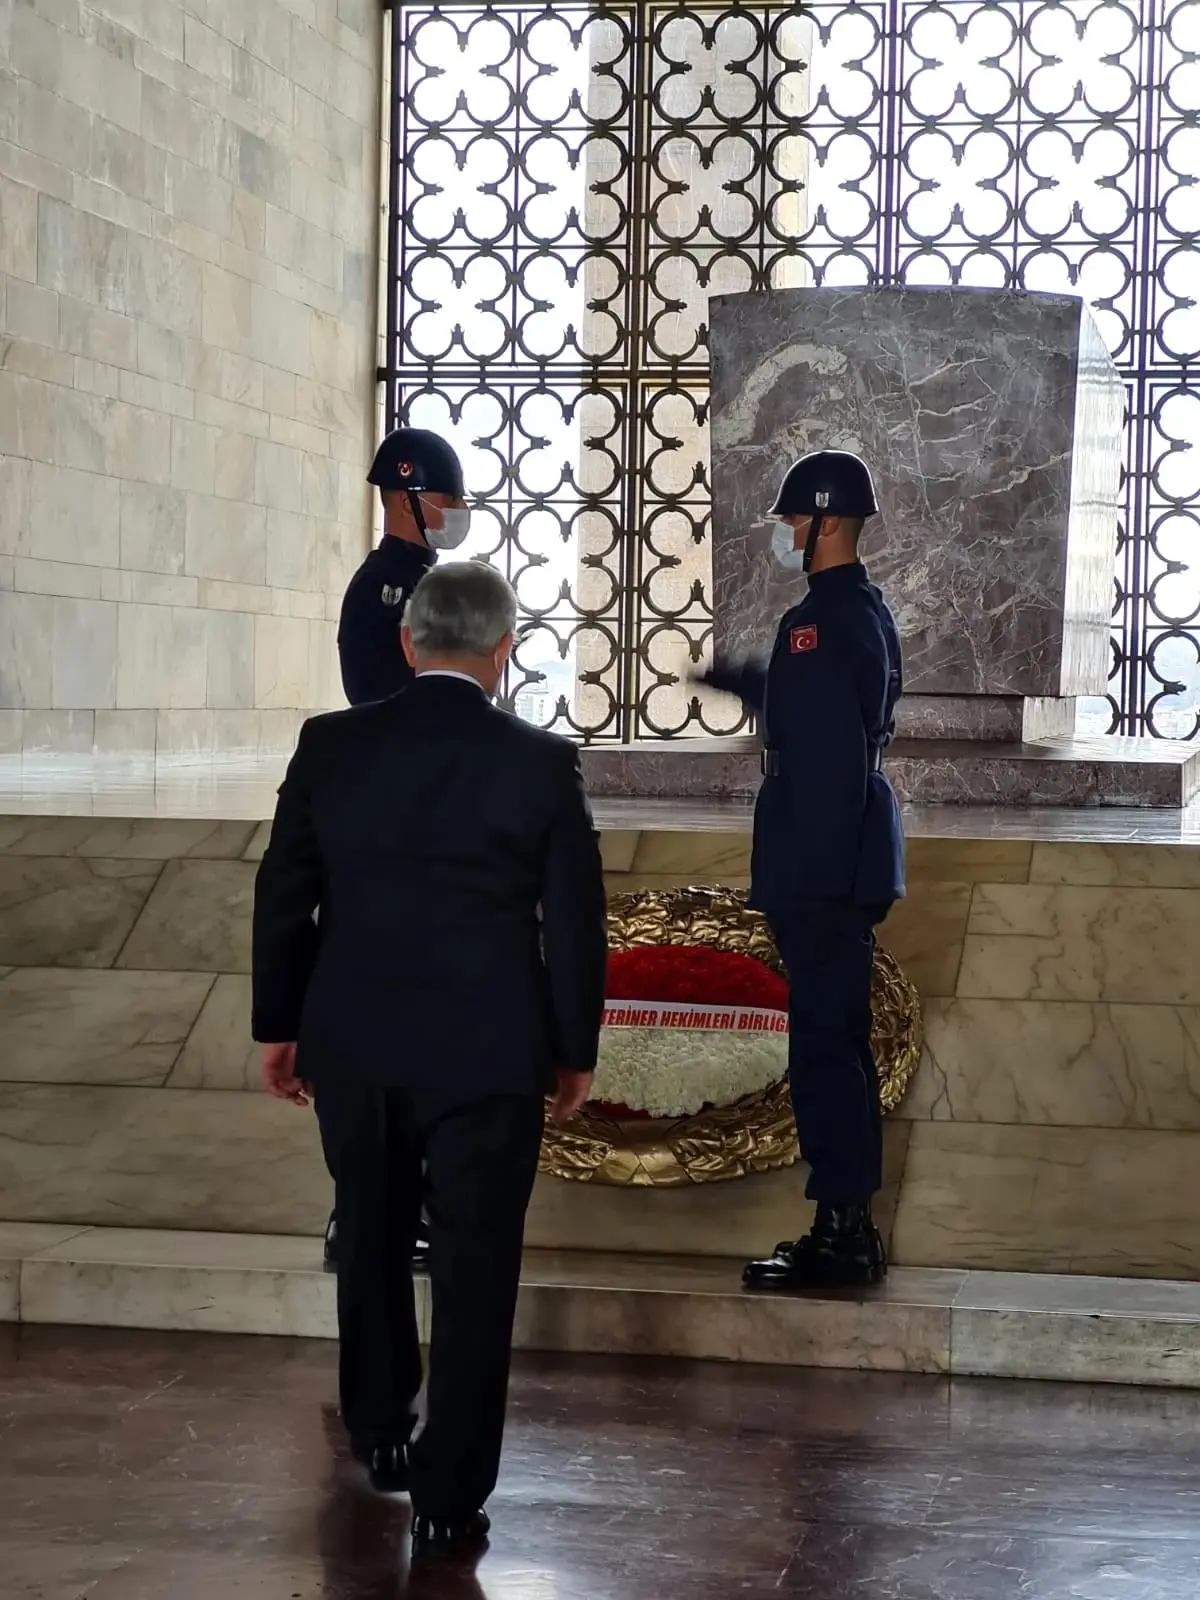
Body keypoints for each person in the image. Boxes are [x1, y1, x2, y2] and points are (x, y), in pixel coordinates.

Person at [252, 561, 608, 1554]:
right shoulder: (540, 763)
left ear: (408, 644)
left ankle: (379, 1430)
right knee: (477, 1259)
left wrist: (278, 1025)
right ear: (502, 654)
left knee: (368, 1230)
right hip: (489, 1047)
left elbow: (284, 892)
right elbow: (576, 920)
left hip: (355, 1039)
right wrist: (573, 1045)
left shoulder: (331, 745)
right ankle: (452, 1489)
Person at [697, 450, 905, 1291]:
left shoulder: (815, 623)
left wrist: (810, 885)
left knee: (824, 1048)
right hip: (845, 862)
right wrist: (750, 680)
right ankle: (847, 1225)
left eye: (794, 518)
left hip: (819, 867)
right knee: (837, 1043)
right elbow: (830, 714)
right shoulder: (861, 613)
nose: (786, 530)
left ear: (825, 523)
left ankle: (841, 1234)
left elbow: (823, 760)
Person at [322, 426, 470, 1273]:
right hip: (393, 841)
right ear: (407, 497)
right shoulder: (387, 589)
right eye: (446, 501)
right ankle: (361, 1214)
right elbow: (391, 717)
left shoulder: (426, 585)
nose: (454, 515)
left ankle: (388, 1209)